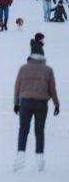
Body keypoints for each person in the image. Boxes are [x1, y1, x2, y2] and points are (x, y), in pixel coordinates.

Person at [13, 37, 60, 171]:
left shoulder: (23, 68)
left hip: (26, 103)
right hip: (41, 104)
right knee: (39, 131)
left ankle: (20, 158)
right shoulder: (48, 70)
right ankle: (39, 160)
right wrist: (56, 104)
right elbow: (52, 89)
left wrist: (16, 103)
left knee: (23, 130)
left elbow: (17, 87)